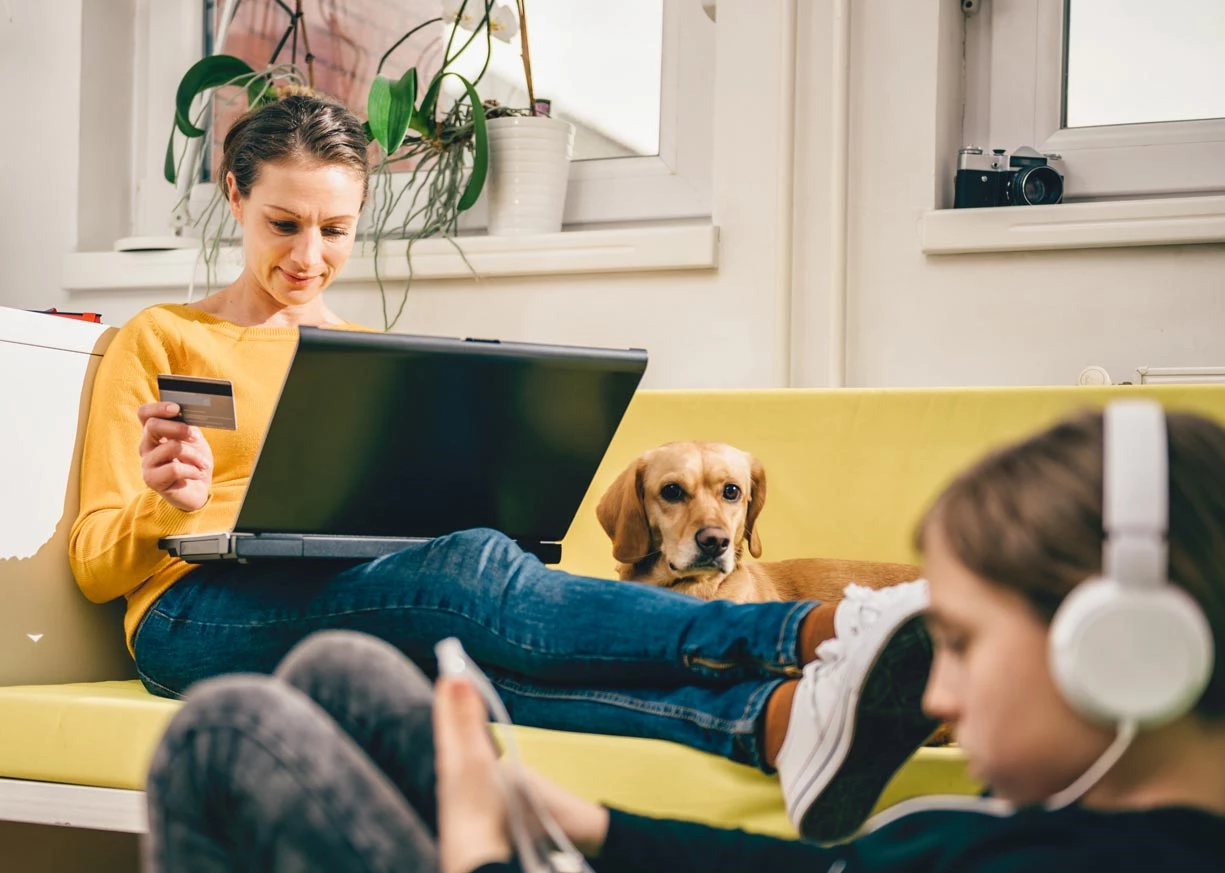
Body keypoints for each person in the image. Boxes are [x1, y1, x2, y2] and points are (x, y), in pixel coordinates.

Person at [69, 92, 934, 837]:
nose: (307, 257)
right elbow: (96, 565)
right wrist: (165, 502)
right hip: (190, 617)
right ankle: (814, 633)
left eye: (335, 230)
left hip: (341, 590)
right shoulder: (163, 337)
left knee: (482, 668)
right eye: (283, 225)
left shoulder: (369, 361)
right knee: (468, 569)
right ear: (234, 197)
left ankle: (774, 722)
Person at [144, 404, 1225, 871]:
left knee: (229, 730)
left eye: (961, 643)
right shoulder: (1043, 837)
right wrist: (590, 824)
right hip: (225, 593)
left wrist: (482, 858)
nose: (937, 696)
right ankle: (786, 693)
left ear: (1123, 647)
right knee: (350, 664)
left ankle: (796, 659)